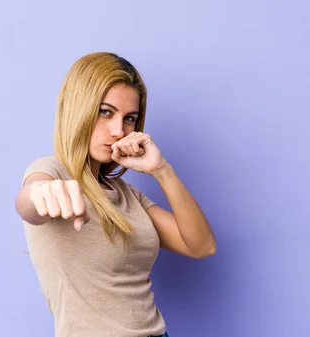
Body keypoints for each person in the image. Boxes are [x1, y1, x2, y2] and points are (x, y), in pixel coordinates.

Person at [15, 52, 217, 337]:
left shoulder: (126, 194)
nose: (118, 130)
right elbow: (28, 202)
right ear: (78, 107)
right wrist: (40, 194)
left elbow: (202, 246)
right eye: (105, 112)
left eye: (130, 118)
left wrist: (161, 170)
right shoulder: (52, 173)